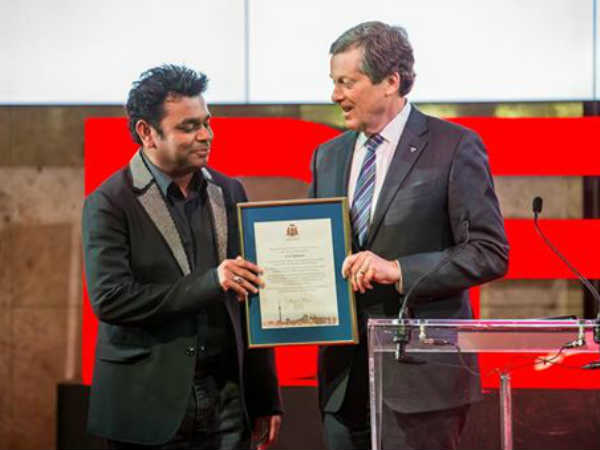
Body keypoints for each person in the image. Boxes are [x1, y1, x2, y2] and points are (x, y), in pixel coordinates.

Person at [309, 22, 509, 449]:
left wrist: (399, 270)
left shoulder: (454, 146)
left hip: (423, 383)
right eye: (333, 82)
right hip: (343, 385)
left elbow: (489, 251)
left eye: (346, 82)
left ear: (390, 81)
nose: (334, 95)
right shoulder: (328, 156)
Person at [82, 65, 282, 450]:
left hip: (227, 401)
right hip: (146, 405)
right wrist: (212, 282)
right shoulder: (108, 203)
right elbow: (111, 299)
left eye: (207, 122)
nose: (206, 135)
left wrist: (265, 396)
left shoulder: (229, 190)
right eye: (189, 127)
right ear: (147, 132)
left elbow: (252, 293)